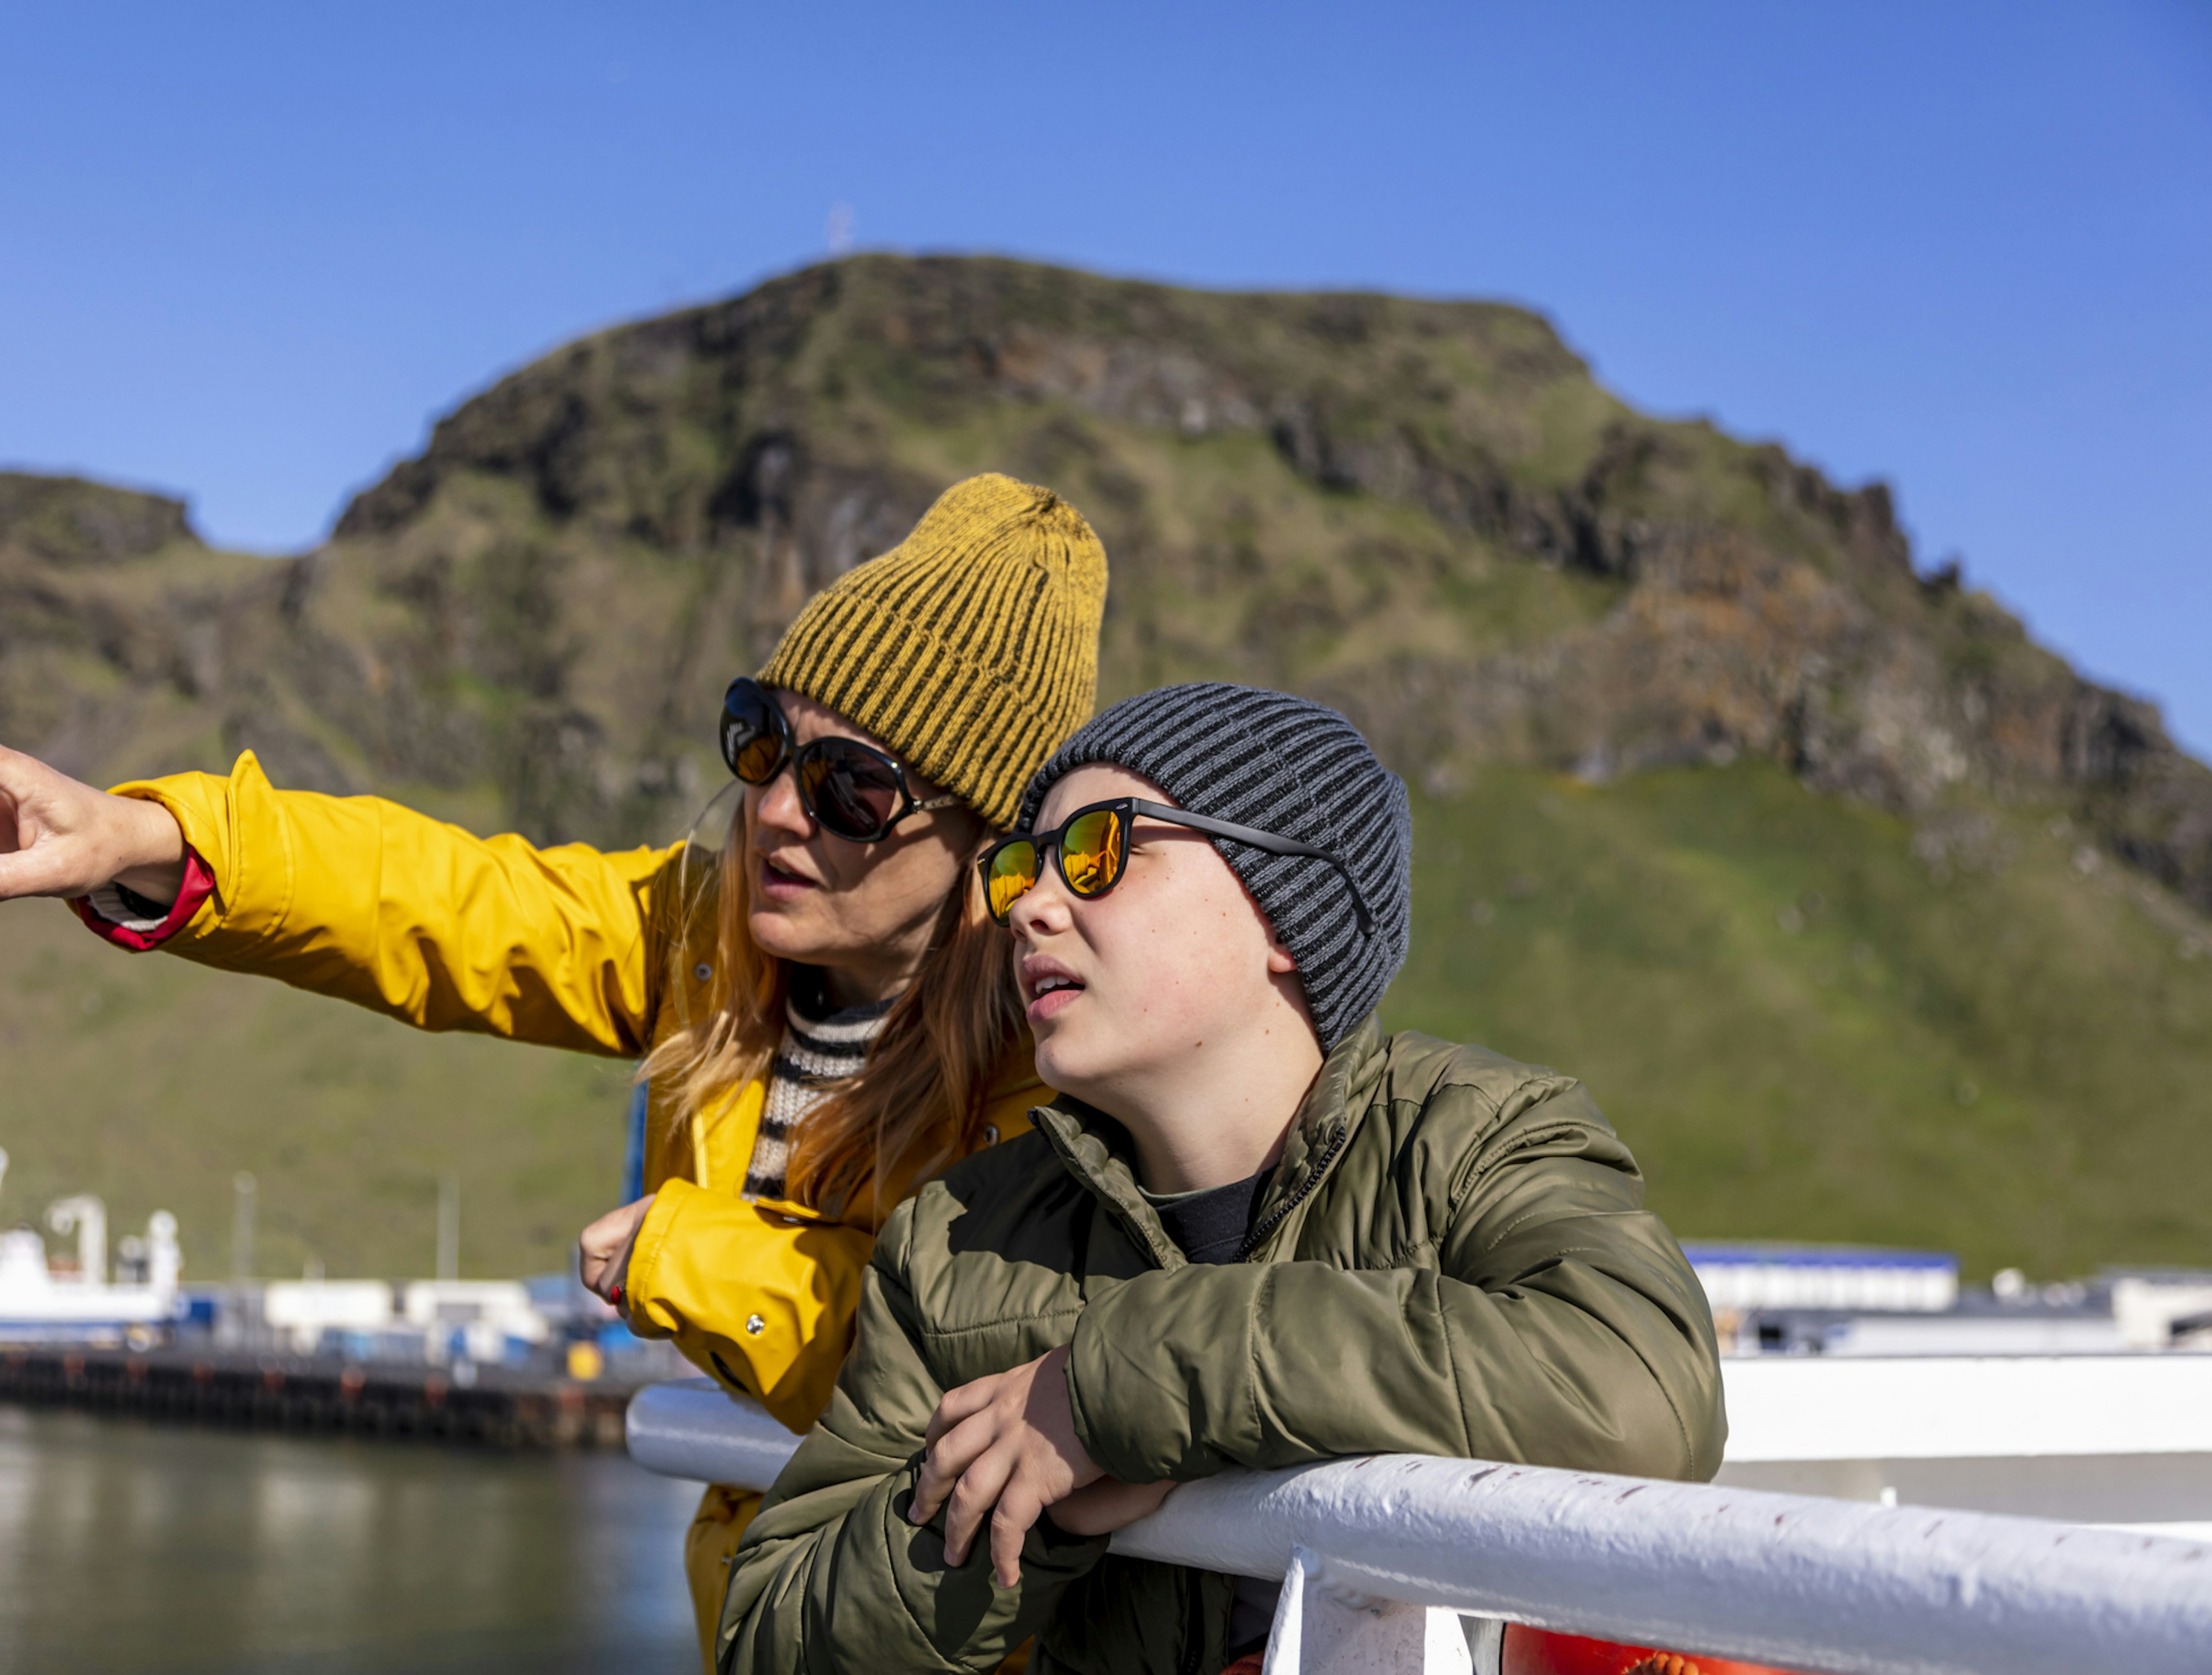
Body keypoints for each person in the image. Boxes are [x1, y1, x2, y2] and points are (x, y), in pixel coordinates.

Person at [0, 472, 1110, 1670]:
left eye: (853, 788)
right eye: (764, 741)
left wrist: (688, 1259)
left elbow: (953, 1359)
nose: (779, 809)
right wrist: (148, 841)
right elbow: (447, 903)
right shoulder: (704, 932)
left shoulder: (1064, 1046)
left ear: (983, 841)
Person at [718, 683, 1727, 1675]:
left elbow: (1645, 1394)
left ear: (1290, 910)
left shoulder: (1473, 1140)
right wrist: (1037, 1510)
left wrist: (1122, 1386)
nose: (1030, 909)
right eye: (1024, 868)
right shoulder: (961, 1236)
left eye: (1099, 852)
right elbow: (772, 1637)